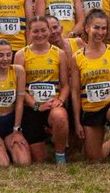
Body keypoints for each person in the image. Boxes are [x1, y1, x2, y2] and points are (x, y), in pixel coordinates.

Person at [71, 9, 110, 164]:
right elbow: (75, 91)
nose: (100, 32)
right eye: (96, 28)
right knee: (94, 158)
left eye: (104, 28)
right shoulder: (77, 57)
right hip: (91, 109)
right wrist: (77, 121)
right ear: (87, 28)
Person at [16, 16, 70, 164]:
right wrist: (36, 105)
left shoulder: (59, 54)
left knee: (60, 116)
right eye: (35, 31)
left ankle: (60, 155)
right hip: (31, 108)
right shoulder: (21, 55)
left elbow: (65, 84)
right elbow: (20, 89)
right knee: (39, 160)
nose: (40, 35)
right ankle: (45, 139)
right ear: (29, 32)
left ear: (49, 30)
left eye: (43, 30)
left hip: (52, 106)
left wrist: (60, 100)